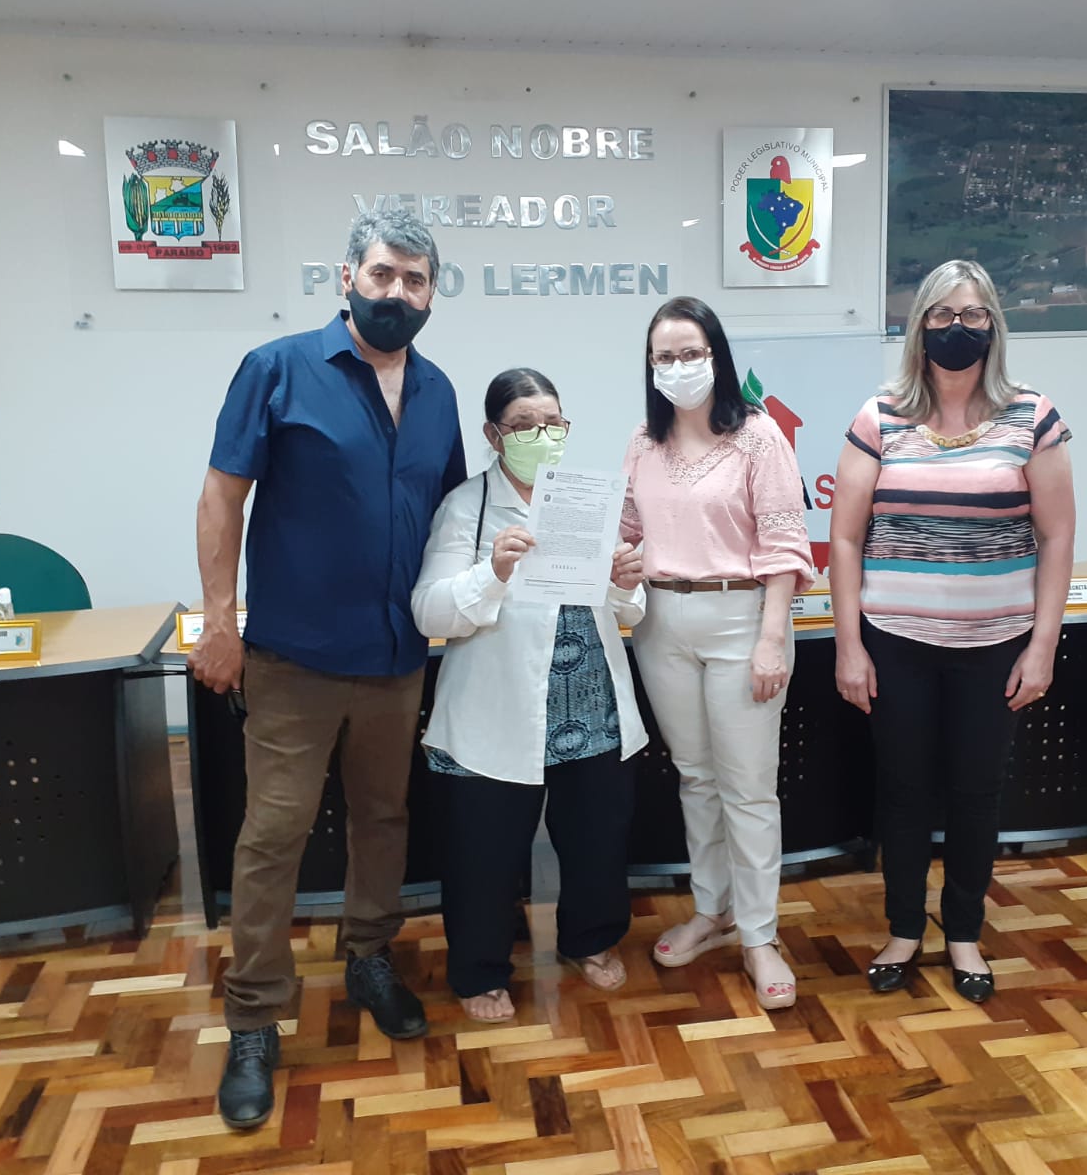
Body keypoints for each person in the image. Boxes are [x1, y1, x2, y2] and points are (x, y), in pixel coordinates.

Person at [189, 209, 464, 1129]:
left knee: (384, 819)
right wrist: (220, 622)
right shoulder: (277, 369)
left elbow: (448, 518)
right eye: (383, 274)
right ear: (346, 276)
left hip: (396, 656)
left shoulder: (438, 392)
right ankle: (253, 1018)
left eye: (415, 280)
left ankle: (369, 958)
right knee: (274, 834)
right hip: (294, 657)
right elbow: (222, 497)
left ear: (433, 293)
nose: (398, 294)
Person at [829, 259, 1075, 1002]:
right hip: (894, 643)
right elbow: (845, 537)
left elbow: (1058, 535)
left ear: (993, 324)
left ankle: (963, 932)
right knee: (902, 793)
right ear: (920, 327)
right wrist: (849, 646)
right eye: (941, 315)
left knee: (976, 794)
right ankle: (904, 928)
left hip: (995, 646)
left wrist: (1043, 645)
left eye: (971, 315)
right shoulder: (879, 417)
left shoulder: (1032, 416)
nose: (956, 328)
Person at [411, 370, 649, 1023]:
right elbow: (429, 612)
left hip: (590, 704)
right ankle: (482, 969)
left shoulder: (587, 498)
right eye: (523, 425)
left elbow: (629, 611)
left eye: (553, 423)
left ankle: (591, 940)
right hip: (497, 711)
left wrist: (626, 580)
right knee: (484, 852)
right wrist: (492, 573)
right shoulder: (467, 506)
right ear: (494, 435)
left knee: (597, 838)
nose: (541, 436)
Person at [620, 296, 814, 1010]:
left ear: (717, 357)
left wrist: (771, 639)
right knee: (696, 778)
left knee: (748, 787)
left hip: (742, 620)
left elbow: (785, 546)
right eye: (664, 357)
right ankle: (713, 909)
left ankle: (760, 934)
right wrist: (613, 557)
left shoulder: (758, 437)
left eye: (691, 353)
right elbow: (627, 527)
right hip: (661, 623)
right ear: (650, 366)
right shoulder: (644, 441)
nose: (678, 367)